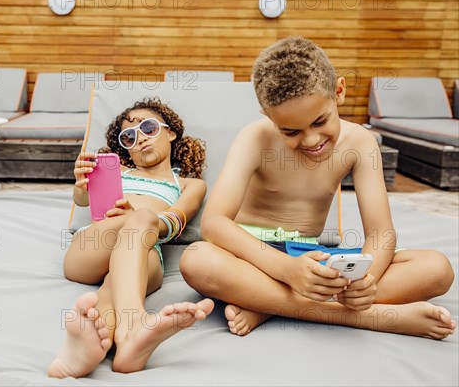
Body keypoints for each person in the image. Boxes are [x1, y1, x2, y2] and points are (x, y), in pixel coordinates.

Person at [179, 36, 456, 339]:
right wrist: (286, 270)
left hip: (312, 257)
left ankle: (268, 304)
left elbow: (381, 234)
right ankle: (368, 317)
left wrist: (368, 280)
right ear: (268, 116)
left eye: (320, 121)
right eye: (291, 131)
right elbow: (214, 223)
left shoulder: (361, 144)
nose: (310, 140)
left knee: (436, 268)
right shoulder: (254, 138)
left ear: (339, 91)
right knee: (197, 259)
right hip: (255, 257)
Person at [48, 97, 214, 378]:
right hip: (92, 248)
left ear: (171, 132)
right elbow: (83, 199)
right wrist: (81, 183)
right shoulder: (120, 173)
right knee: (142, 217)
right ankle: (134, 326)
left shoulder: (189, 184)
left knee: (116, 285)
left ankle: (89, 352)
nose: (140, 139)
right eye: (129, 137)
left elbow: (175, 221)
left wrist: (142, 219)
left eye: (148, 128)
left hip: (146, 256)